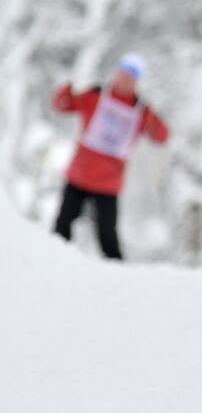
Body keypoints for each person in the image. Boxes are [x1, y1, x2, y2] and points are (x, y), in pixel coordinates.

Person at [52, 53, 169, 260]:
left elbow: (162, 136)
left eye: (131, 77)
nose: (125, 81)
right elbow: (63, 104)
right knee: (62, 226)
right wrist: (69, 86)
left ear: (137, 82)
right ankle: (54, 264)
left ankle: (118, 279)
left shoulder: (141, 111)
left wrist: (151, 119)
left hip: (108, 184)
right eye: (123, 75)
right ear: (117, 75)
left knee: (107, 237)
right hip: (79, 176)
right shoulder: (96, 97)